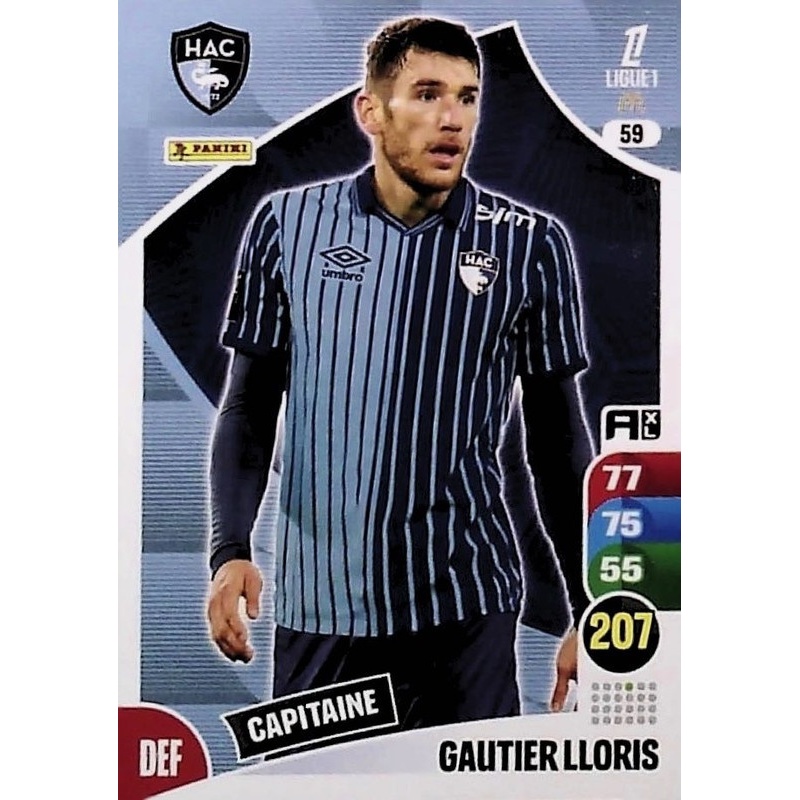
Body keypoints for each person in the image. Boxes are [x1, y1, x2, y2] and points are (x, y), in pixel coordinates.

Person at [206, 16, 593, 729]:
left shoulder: (530, 244)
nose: (453, 119)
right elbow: (249, 408)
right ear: (371, 112)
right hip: (323, 614)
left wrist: (589, 606)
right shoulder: (287, 226)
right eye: (427, 94)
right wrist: (230, 550)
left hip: (466, 616)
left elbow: (557, 440)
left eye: (468, 97)